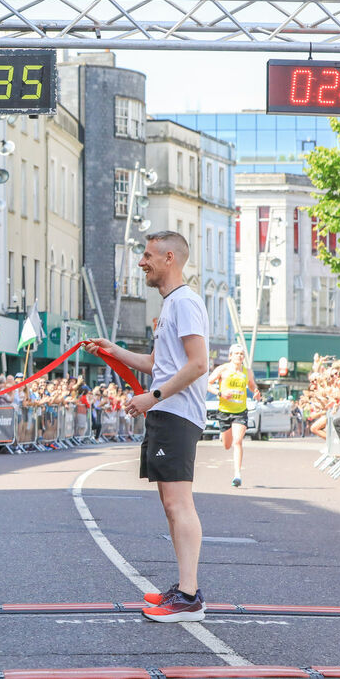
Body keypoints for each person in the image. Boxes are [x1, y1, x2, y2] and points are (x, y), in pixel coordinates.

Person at [85, 231, 209, 623]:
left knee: (178, 503)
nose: (142, 263)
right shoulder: (173, 304)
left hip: (175, 414)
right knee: (171, 506)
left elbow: (198, 363)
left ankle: (189, 597)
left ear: (169, 258)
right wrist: (113, 350)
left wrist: (153, 397)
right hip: (168, 413)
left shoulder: (185, 302)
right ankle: (185, 590)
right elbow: (160, 363)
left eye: (148, 255)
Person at [206, 345, 260, 487]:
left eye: (241, 354)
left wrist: (256, 391)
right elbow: (207, 383)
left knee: (238, 441)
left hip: (240, 411)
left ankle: (237, 474)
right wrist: (220, 393)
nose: (239, 356)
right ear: (230, 356)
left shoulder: (247, 372)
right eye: (236, 353)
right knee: (227, 445)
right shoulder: (222, 369)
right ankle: (223, 436)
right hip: (224, 411)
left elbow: (252, 385)